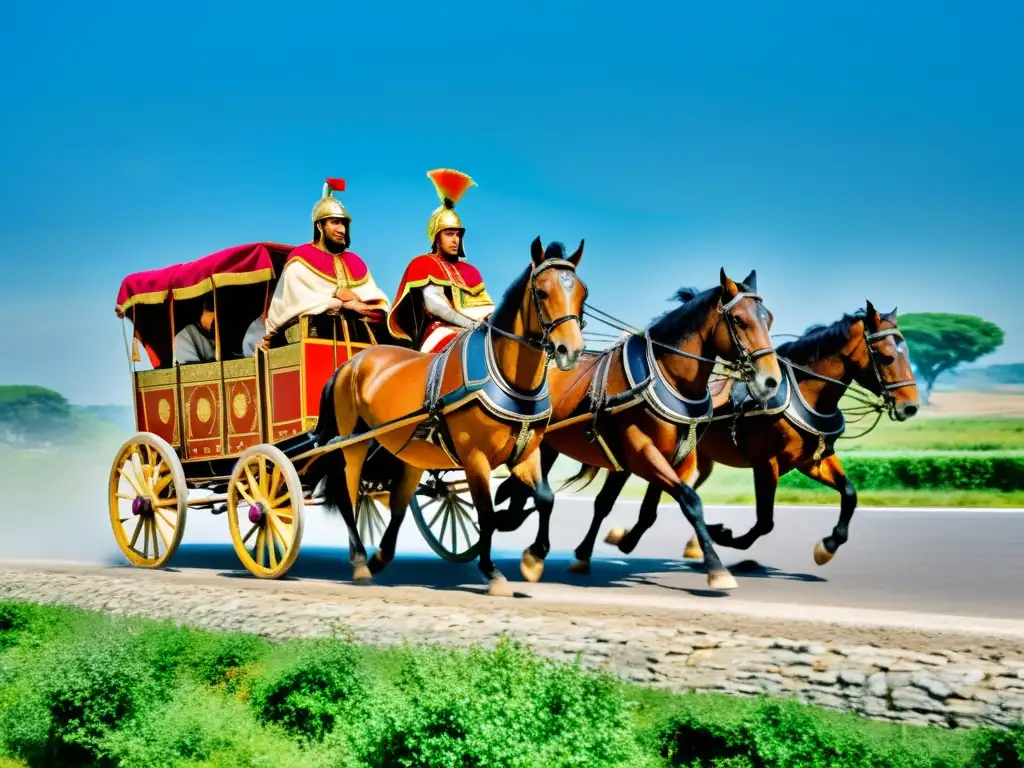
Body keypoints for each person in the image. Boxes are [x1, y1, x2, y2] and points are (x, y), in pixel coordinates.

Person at [242, 177, 390, 355]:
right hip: (314, 339)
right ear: (320, 225)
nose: (341, 229)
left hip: (357, 337)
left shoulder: (355, 261)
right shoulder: (300, 259)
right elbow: (298, 302)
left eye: (343, 223)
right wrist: (344, 304)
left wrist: (370, 307)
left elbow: (376, 298)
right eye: (335, 222)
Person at [386, 168, 494, 353]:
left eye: (458, 235)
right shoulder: (423, 264)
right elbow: (435, 306)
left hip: (479, 330)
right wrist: (471, 325)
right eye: (449, 234)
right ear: (436, 237)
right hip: (439, 331)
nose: (455, 240)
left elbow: (486, 306)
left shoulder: (471, 271)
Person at [174, 294, 217, 364]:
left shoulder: (219, 334)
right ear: (205, 309)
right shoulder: (185, 336)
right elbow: (193, 372)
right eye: (215, 318)